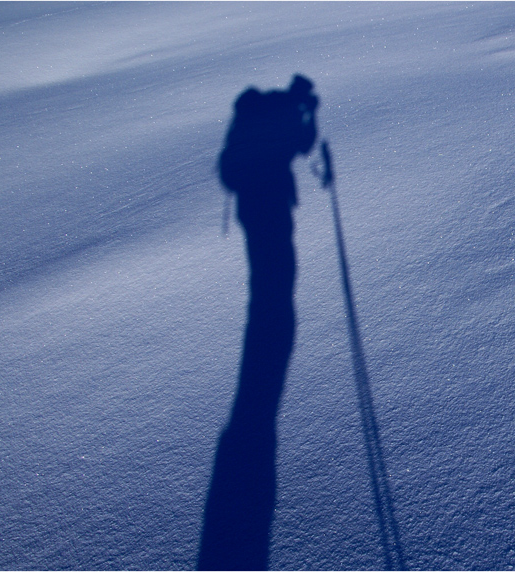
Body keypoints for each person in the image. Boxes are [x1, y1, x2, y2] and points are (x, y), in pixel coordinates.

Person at [199, 74, 318, 571]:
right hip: (271, 202)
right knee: (279, 273)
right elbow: (304, 144)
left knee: (263, 270)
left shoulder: (251, 113)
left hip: (251, 204)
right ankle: (274, 324)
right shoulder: (285, 112)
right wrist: (308, 117)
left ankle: (267, 318)